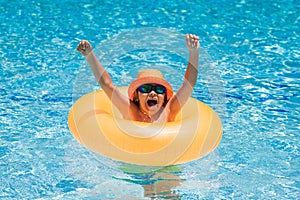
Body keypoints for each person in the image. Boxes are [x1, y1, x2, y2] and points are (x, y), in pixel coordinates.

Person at [77, 34, 199, 123]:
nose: (152, 93)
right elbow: (107, 85)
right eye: (146, 88)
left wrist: (194, 52)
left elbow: (189, 84)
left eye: (159, 90)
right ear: (136, 96)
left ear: (165, 97)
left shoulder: (170, 109)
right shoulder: (130, 110)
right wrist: (89, 55)